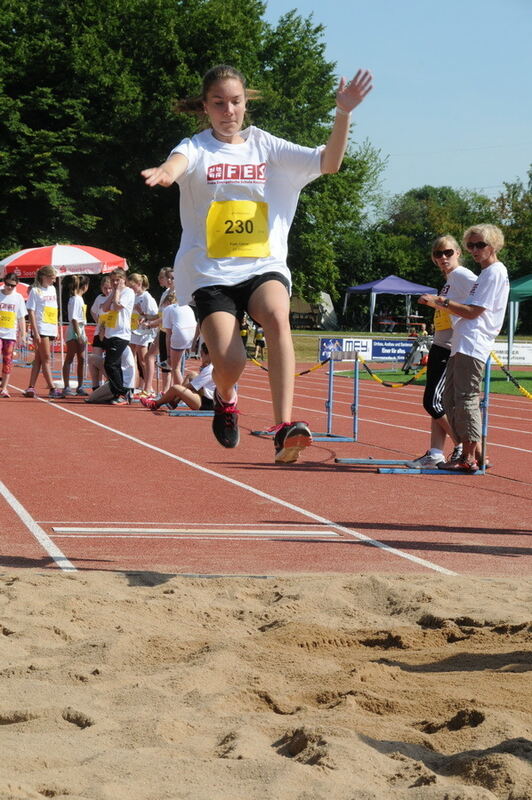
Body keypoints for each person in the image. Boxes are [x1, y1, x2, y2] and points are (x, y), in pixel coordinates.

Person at [142, 63, 373, 463]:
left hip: (262, 263)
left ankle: (284, 426)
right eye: (218, 103)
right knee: (231, 363)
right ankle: (226, 398)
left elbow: (329, 163)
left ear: (246, 104)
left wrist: (344, 113)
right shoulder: (194, 147)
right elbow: (177, 163)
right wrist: (165, 171)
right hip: (211, 273)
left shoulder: (266, 146)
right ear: (205, 106)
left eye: (235, 102)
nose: (228, 111)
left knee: (277, 315)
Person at [419, 224, 509, 471]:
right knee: (450, 399)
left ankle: (469, 457)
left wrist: (440, 302)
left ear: (494, 245)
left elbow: (474, 312)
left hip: (473, 342)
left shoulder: (492, 273)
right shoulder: (485, 274)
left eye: (480, 244)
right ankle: (471, 454)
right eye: (472, 245)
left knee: (465, 400)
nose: (475, 250)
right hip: (461, 342)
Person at [410, 236, 477, 467]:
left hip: (450, 347)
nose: (443, 258)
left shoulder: (461, 275)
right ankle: (436, 453)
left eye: (448, 252)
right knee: (438, 403)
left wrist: (438, 302)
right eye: (438, 254)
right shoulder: (450, 280)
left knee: (432, 402)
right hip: (440, 345)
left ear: (458, 252)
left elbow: (482, 296)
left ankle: (465, 448)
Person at [141, 341, 215, 412]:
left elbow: (191, 386)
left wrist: (171, 393)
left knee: (175, 388)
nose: (201, 357)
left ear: (208, 355)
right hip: (209, 400)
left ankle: (156, 404)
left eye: (202, 354)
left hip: (207, 404)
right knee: (191, 375)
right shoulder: (213, 366)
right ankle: (173, 402)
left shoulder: (209, 369)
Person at [24, 266, 60, 398]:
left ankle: (31, 387)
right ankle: (52, 388)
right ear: (45, 277)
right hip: (41, 328)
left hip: (51, 327)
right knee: (46, 358)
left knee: (38, 359)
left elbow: (54, 309)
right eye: (52, 278)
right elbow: (31, 312)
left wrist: (56, 328)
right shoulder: (35, 291)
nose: (54, 280)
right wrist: (36, 332)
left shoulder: (53, 289)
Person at [101, 267, 135, 405]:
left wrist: (118, 292)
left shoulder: (128, 292)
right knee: (114, 364)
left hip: (121, 334)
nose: (114, 283)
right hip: (111, 332)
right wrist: (114, 292)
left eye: (117, 280)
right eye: (113, 280)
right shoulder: (114, 291)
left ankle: (121, 393)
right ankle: (119, 392)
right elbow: (104, 308)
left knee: (110, 364)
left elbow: (118, 305)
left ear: (123, 280)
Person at [143, 267, 174, 397]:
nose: (159, 280)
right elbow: (160, 314)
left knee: (168, 361)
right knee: (151, 356)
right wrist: (146, 317)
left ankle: (166, 391)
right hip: (161, 330)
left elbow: (167, 316)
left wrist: (150, 324)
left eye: (162, 277)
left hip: (169, 331)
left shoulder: (175, 294)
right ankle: (149, 388)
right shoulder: (165, 293)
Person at [127, 272, 158, 395]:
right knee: (131, 359)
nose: (130, 289)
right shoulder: (133, 296)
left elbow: (154, 315)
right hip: (133, 330)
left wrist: (142, 315)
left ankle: (148, 387)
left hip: (144, 332)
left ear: (139, 284)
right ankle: (135, 385)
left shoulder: (146, 297)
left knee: (143, 360)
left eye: (131, 286)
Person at [62, 275, 90, 397]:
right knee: (70, 358)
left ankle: (80, 386)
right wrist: (78, 335)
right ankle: (67, 386)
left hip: (80, 329)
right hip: (75, 330)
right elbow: (73, 318)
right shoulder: (75, 299)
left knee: (82, 359)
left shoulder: (79, 299)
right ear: (85, 286)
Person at [0, 273, 27, 397]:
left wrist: (23, 334)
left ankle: (4, 388)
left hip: (10, 334)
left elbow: (21, 317)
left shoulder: (18, 297)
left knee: (8, 361)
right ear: (4, 282)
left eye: (12, 285)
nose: (9, 287)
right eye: (7, 284)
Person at [162, 296, 198, 386]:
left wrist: (169, 357)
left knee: (175, 368)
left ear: (167, 302)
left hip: (181, 334)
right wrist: (191, 344)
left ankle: (181, 395)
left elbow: (168, 334)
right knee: (178, 365)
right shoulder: (187, 306)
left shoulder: (168, 309)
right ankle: (179, 392)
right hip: (192, 333)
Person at [88, 275, 112, 391]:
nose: (107, 291)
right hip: (99, 332)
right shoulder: (99, 298)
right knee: (94, 358)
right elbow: (93, 311)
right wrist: (98, 322)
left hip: (111, 333)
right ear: (101, 288)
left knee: (109, 360)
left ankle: (110, 382)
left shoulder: (116, 298)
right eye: (105, 288)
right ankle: (95, 385)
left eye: (109, 288)